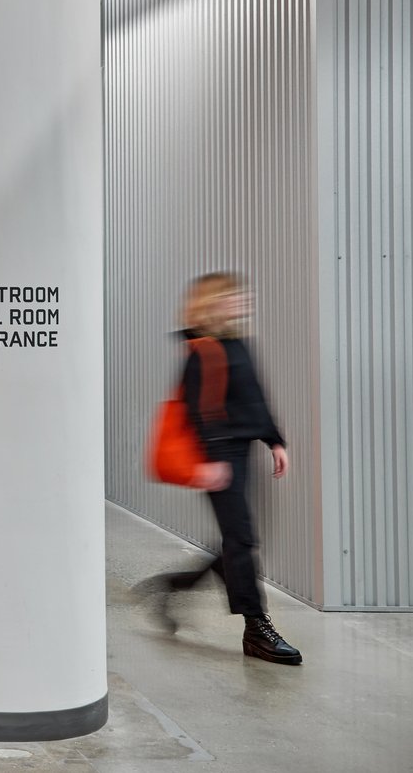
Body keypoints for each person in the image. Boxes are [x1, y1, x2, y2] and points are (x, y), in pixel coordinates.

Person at [137, 273, 303, 665]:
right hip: (219, 454)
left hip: (242, 451)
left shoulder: (239, 343)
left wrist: (274, 440)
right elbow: (198, 411)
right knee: (241, 540)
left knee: (237, 540)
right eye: (232, 297)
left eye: (242, 296)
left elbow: (254, 395)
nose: (242, 302)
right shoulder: (202, 350)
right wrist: (209, 463)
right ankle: (256, 627)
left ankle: (174, 588)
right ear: (212, 304)